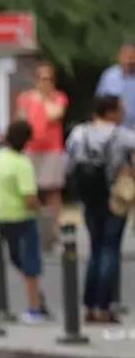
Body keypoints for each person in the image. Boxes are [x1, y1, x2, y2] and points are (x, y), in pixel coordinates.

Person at [65, 95, 135, 324]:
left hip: (89, 198)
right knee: (110, 249)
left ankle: (88, 306)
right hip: (115, 197)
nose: (123, 113)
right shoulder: (122, 135)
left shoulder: (79, 133)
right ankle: (104, 307)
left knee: (95, 250)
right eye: (121, 109)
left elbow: (69, 164)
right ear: (111, 111)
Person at [0, 120, 49, 324]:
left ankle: (34, 300)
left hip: (2, 216)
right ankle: (34, 308)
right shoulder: (22, 164)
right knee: (31, 262)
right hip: (23, 217)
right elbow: (29, 197)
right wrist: (41, 210)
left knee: (17, 259)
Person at [15, 61, 68, 233]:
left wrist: (44, 98)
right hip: (31, 149)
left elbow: (54, 115)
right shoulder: (25, 98)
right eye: (43, 79)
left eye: (50, 79)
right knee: (31, 189)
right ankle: (32, 225)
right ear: (35, 80)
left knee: (53, 190)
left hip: (52, 150)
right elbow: (21, 120)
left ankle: (54, 226)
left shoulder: (59, 97)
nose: (46, 82)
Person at [95, 41, 135, 129]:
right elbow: (99, 104)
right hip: (111, 130)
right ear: (119, 56)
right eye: (127, 56)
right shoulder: (108, 76)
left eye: (132, 57)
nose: (129, 60)